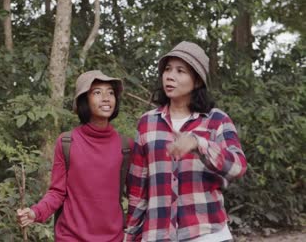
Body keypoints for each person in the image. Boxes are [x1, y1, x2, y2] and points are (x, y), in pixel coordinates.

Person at [125, 41, 247, 242]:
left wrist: (199, 144)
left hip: (207, 234)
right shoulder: (147, 122)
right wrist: (130, 234)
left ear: (197, 81)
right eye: (167, 69)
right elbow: (138, 187)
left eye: (180, 71)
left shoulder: (217, 120)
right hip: (157, 235)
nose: (170, 76)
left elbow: (238, 167)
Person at [17, 70, 131, 241]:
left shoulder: (126, 146)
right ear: (84, 100)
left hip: (113, 238)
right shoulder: (67, 142)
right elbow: (57, 192)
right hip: (70, 237)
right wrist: (35, 212)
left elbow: (137, 195)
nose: (106, 98)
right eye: (97, 92)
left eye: (111, 93)